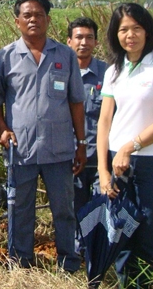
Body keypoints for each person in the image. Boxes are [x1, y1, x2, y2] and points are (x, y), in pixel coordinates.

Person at [0, 0, 87, 272]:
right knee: (20, 209)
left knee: (64, 210)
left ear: (48, 19)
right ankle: (20, 263)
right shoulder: (5, 57)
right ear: (17, 21)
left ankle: (68, 263)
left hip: (59, 150)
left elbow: (76, 102)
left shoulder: (66, 55)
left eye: (39, 14)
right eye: (27, 15)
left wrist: (81, 143)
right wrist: (2, 128)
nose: (33, 19)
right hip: (21, 149)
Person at [96, 3, 153, 288]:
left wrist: (130, 147)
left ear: (147, 31)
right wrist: (103, 171)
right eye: (123, 30)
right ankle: (125, 283)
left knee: (148, 228)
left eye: (136, 28)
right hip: (115, 160)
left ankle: (147, 282)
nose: (130, 35)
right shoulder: (113, 72)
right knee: (121, 229)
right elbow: (104, 121)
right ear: (115, 34)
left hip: (149, 161)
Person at [67, 17, 108, 212]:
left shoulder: (108, 74)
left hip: (102, 158)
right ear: (69, 41)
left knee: (104, 209)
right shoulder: (60, 72)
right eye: (79, 37)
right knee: (75, 212)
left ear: (96, 42)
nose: (84, 42)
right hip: (70, 157)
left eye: (89, 37)